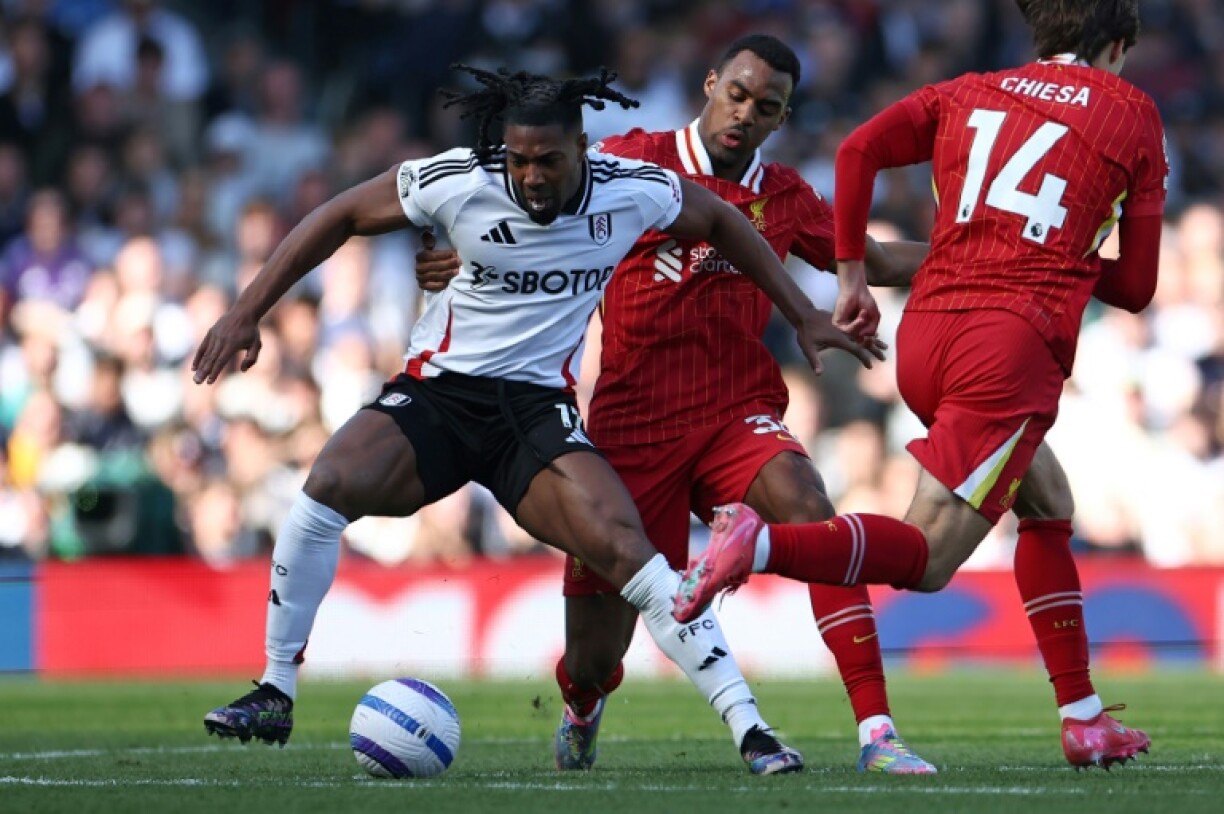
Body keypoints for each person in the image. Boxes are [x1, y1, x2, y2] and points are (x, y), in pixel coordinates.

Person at [192, 64, 879, 772]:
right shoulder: (460, 179)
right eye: (518, 162)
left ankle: (751, 729)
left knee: (627, 550)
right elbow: (338, 215)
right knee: (328, 482)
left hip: (533, 415)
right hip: (441, 396)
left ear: (583, 148)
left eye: (548, 161)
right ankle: (275, 688)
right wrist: (247, 312)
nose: (532, 178)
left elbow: (723, 220)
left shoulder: (631, 190)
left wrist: (801, 314)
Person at [416, 35, 935, 774]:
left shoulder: (785, 196)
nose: (746, 114)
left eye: (767, 107)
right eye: (739, 94)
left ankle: (878, 732)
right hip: (631, 430)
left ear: (782, 118)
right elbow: (533, 200)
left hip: (735, 414)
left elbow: (874, 260)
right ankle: (583, 704)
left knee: (806, 504)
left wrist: (981, 251)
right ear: (711, 82)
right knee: (594, 655)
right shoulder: (632, 158)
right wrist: (463, 253)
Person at [673, 0, 1165, 771]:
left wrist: (853, 274)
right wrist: (1050, 257)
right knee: (932, 561)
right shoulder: (1131, 111)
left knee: (1047, 502)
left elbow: (858, 150)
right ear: (1115, 43)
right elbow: (1135, 287)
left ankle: (1083, 715)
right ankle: (758, 543)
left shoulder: (968, 90)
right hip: (1007, 346)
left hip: (926, 336)